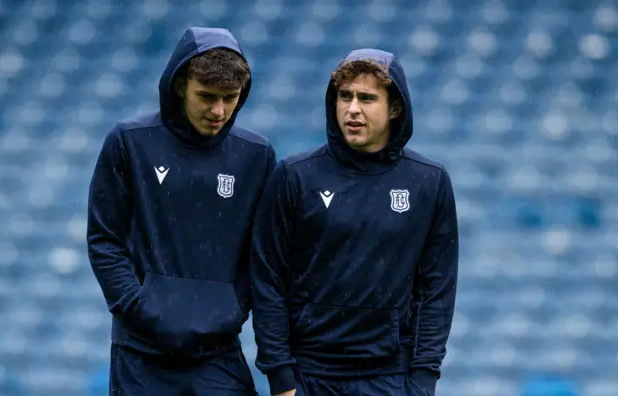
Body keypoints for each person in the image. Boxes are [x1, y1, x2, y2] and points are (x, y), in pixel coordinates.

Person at [250, 48, 459, 396]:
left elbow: (436, 291)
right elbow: (267, 279)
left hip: (389, 377)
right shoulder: (295, 175)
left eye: (366, 98)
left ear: (394, 108)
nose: (353, 109)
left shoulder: (428, 181)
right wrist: (281, 377)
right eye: (344, 96)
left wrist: (423, 382)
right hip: (308, 376)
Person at [87, 27, 276, 396]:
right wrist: (138, 307)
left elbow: (262, 253)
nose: (218, 111)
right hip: (141, 350)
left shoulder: (256, 156)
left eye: (229, 98)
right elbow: (104, 239)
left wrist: (232, 308)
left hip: (217, 349)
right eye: (206, 96)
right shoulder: (130, 141)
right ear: (179, 86)